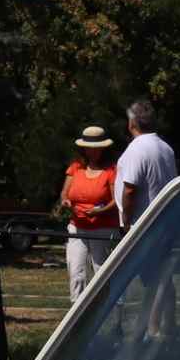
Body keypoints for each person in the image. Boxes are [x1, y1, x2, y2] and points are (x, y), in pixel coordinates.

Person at [60, 125, 119, 302]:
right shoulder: (75, 167)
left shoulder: (111, 170)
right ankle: (77, 310)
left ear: (103, 148)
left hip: (103, 228)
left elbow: (117, 200)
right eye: (89, 148)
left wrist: (100, 211)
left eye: (96, 148)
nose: (92, 151)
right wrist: (65, 201)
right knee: (76, 272)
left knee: (101, 271)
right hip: (77, 227)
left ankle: (108, 309)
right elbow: (64, 193)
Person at [115, 98, 178, 229]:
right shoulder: (166, 148)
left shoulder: (137, 148)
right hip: (163, 221)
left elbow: (130, 190)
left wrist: (126, 222)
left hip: (140, 225)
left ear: (132, 123)